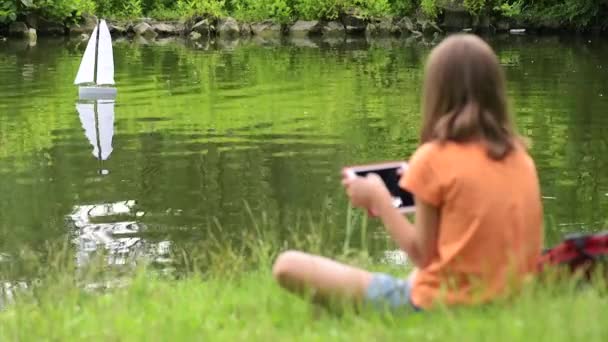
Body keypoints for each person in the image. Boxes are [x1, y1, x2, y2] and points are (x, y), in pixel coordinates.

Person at [272, 34, 543, 311]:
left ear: (436, 93)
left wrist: (380, 199)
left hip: (442, 303)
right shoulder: (521, 158)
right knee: (413, 277)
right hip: (508, 299)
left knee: (287, 265)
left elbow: (421, 255)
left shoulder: (433, 158)